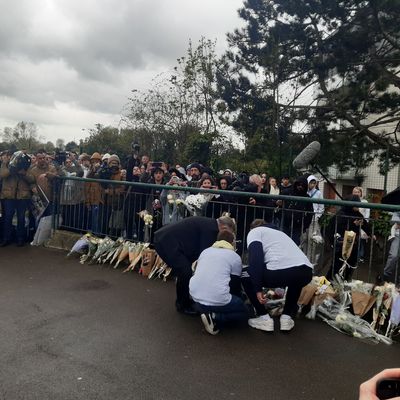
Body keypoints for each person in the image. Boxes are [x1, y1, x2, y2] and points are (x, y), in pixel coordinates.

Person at [153, 215, 237, 315]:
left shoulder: (209, 224)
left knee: (184, 271)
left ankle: (185, 301)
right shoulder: (211, 229)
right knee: (185, 271)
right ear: (224, 228)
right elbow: (205, 253)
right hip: (167, 242)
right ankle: (182, 305)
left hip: (167, 240)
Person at [243, 219, 313, 332]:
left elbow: (256, 259)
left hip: (280, 272)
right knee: (295, 278)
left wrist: (257, 289)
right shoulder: (281, 233)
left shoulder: (255, 232)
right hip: (306, 271)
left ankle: (263, 317)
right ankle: (286, 317)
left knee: (244, 274)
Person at [189, 230, 248, 335]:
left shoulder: (205, 251)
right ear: (232, 242)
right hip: (217, 298)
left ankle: (203, 309)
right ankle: (215, 316)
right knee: (245, 312)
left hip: (194, 294)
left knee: (205, 301)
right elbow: (235, 283)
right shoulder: (234, 256)